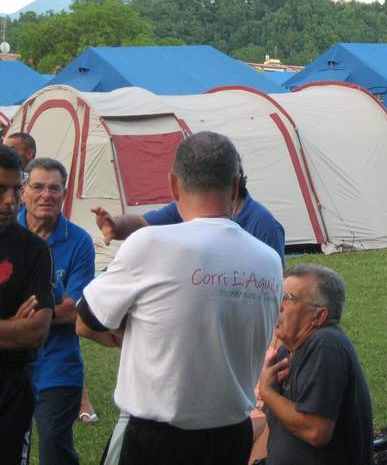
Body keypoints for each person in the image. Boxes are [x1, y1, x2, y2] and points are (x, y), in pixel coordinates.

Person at [76, 131, 283, 465]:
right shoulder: (269, 261)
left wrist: (140, 336)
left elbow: (85, 322)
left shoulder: (149, 245)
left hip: (156, 439)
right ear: (234, 186)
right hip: (232, 435)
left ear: (173, 186)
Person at [17, 158, 95, 465]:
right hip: (11, 362)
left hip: (58, 365)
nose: (46, 195)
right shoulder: (7, 234)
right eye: (38, 187)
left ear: (64, 193)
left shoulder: (79, 242)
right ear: (23, 191)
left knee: (53, 446)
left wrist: (21, 314)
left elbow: (74, 310)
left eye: (54, 188)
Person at [260, 264, 373, 465]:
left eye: (289, 298)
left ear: (319, 316)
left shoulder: (326, 345)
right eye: (279, 296)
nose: (278, 305)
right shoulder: (289, 349)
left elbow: (316, 430)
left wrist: (268, 394)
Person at [92, 162, 285, 262]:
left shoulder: (263, 224)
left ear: (233, 185)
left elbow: (273, 292)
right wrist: (116, 226)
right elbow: (143, 224)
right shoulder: (188, 210)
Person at [0, 144, 54, 465]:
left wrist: (24, 329)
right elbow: (19, 331)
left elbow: (35, 332)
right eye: (0, 189)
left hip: (10, 397)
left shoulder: (34, 251)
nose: (10, 200)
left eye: (15, 189)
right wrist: (10, 327)